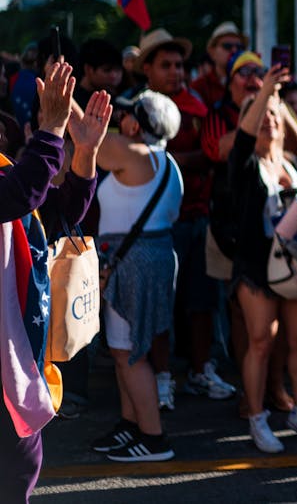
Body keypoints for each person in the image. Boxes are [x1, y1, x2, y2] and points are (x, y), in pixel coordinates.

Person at [1, 62, 104, 500]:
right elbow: (20, 193)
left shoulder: (8, 169)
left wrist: (85, 152)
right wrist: (52, 128)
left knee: (21, 464)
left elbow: (59, 212)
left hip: (18, 353)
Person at [228, 64, 297, 453]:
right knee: (259, 342)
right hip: (255, 266)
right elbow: (242, 141)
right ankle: (257, 418)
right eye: (259, 115)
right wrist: (266, 90)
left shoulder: (292, 163)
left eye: (274, 113)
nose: (268, 120)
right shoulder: (244, 166)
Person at [136, 28, 237, 408]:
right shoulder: (136, 107)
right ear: (147, 68)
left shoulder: (196, 105)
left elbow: (209, 156)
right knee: (160, 303)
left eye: (180, 64)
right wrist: (189, 162)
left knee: (201, 303)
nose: (176, 71)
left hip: (197, 216)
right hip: (156, 223)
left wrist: (167, 162)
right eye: (166, 65)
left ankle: (199, 370)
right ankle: (161, 378)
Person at [90, 90, 184, 462]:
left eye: (128, 114)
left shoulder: (136, 155)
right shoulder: (168, 161)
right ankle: (132, 426)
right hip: (149, 258)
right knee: (124, 349)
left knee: (129, 352)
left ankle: (153, 436)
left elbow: (87, 136)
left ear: (139, 124)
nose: (121, 119)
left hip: (131, 262)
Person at [190, 22, 248, 107]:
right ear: (212, 52)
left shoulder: (251, 84)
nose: (234, 51)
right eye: (227, 46)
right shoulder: (200, 87)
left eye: (239, 47)